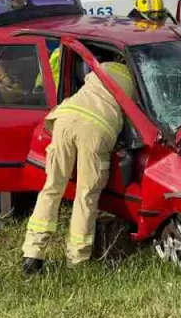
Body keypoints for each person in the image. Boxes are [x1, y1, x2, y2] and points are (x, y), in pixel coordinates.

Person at [21, 61, 136, 275]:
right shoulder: (139, 78)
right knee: (86, 196)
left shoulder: (104, 65)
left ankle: (32, 255)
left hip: (65, 117)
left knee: (52, 188)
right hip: (97, 128)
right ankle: (77, 259)